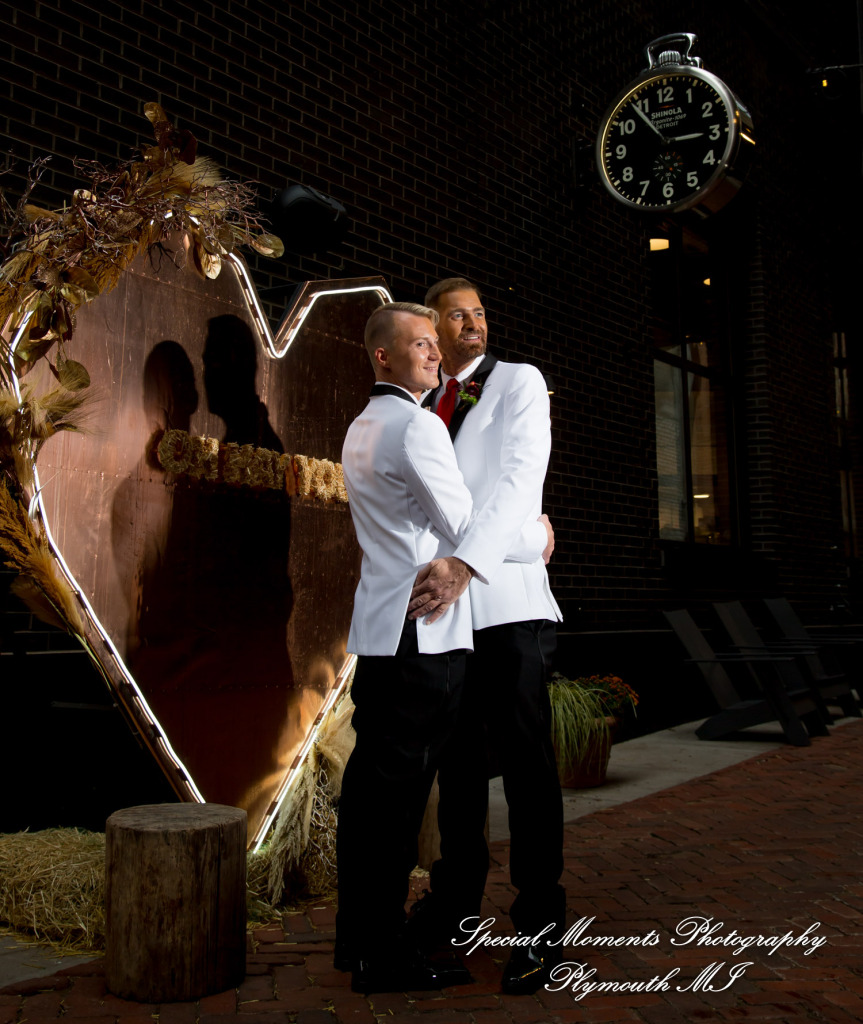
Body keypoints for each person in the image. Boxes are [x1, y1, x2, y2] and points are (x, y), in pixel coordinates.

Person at [336, 301, 547, 994]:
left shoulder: (361, 425)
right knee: (395, 808)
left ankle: (363, 944)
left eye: (437, 341)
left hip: (378, 630)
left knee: (370, 799)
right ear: (383, 356)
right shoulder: (419, 425)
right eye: (420, 342)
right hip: (424, 634)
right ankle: (386, 954)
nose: (434, 352)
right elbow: (461, 526)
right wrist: (536, 540)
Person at [407, 277, 565, 995]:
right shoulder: (415, 406)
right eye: (456, 315)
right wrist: (527, 539)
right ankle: (455, 904)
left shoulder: (518, 383)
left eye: (478, 313)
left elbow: (516, 484)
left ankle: (541, 924)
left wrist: (484, 553)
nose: (472, 323)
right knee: (459, 770)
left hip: (508, 606)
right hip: (446, 611)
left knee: (527, 769)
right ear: (431, 331)